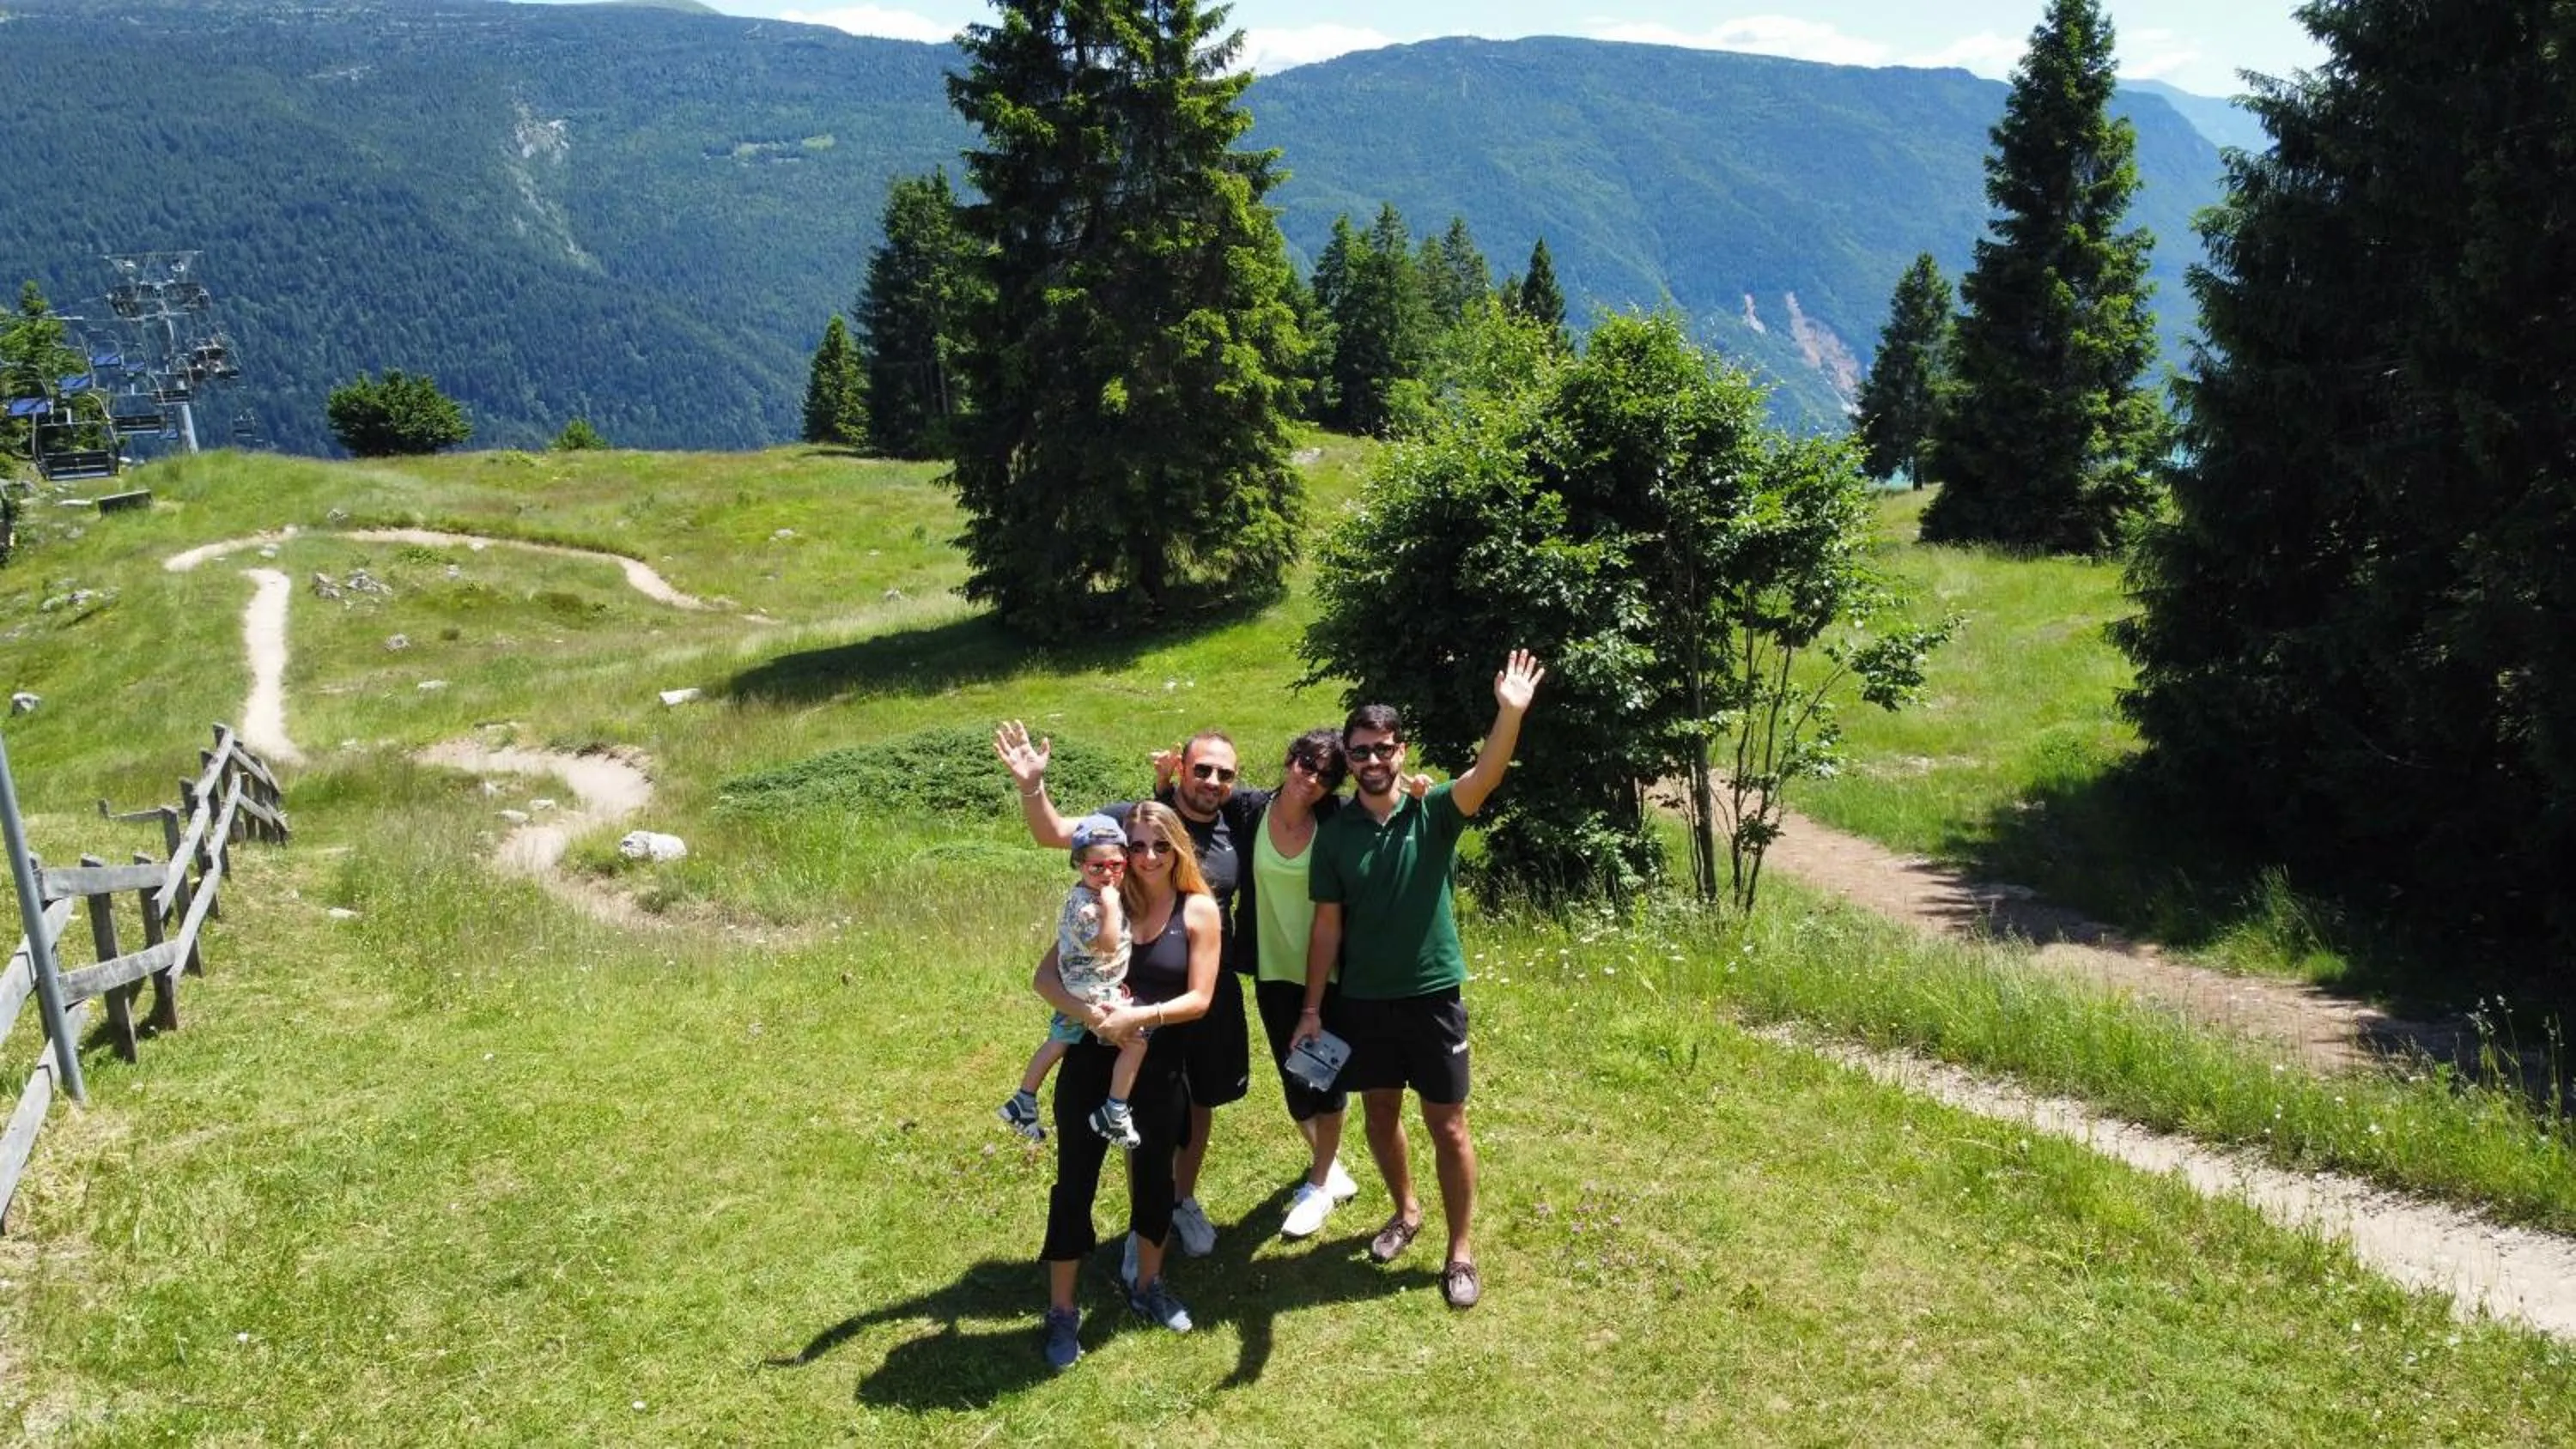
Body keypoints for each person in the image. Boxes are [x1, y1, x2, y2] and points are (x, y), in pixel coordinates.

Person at [1296, 649, 1545, 1312]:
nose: (1371, 762)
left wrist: (1509, 715)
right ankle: (1406, 1212)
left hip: (1433, 996)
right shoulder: (1337, 834)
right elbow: (1327, 927)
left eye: (1382, 749)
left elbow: (1486, 776)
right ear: (1347, 760)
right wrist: (1314, 1008)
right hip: (1364, 1002)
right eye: (1359, 753)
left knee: (1450, 1125)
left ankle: (1460, 1250)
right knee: (1380, 1114)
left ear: (1402, 752)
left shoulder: (1431, 812)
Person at [994, 722, 1262, 1258]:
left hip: (1202, 981)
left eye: (1224, 773)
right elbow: (1055, 835)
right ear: (1179, 767)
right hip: (1130, 985)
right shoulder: (1130, 820)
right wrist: (1031, 785)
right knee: (1133, 1104)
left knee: (1198, 1100)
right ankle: (1146, 1214)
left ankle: (1177, 1202)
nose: (1212, 780)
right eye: (1201, 768)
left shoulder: (1236, 823)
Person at [1031, 802, 1220, 1371]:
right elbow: (1045, 978)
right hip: (1090, 1063)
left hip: (1159, 1065)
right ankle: (1063, 1310)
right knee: (1075, 1182)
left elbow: (1200, 998)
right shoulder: (1096, 900)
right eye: (1137, 846)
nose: (1147, 857)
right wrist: (1095, 1020)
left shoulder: (1198, 910)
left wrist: (1140, 1019)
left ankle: (1149, 1286)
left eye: (1161, 846)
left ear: (1178, 849)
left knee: (1157, 1180)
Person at [999, 815, 1148, 1147]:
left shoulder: (1085, 894)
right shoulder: (1089, 908)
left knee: (1059, 1040)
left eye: (1116, 865)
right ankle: (1114, 1109)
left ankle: (1023, 1099)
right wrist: (1111, 905)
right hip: (1093, 991)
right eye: (1097, 868)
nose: (1108, 875)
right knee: (1136, 1042)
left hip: (1078, 984)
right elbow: (1108, 944)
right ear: (1078, 865)